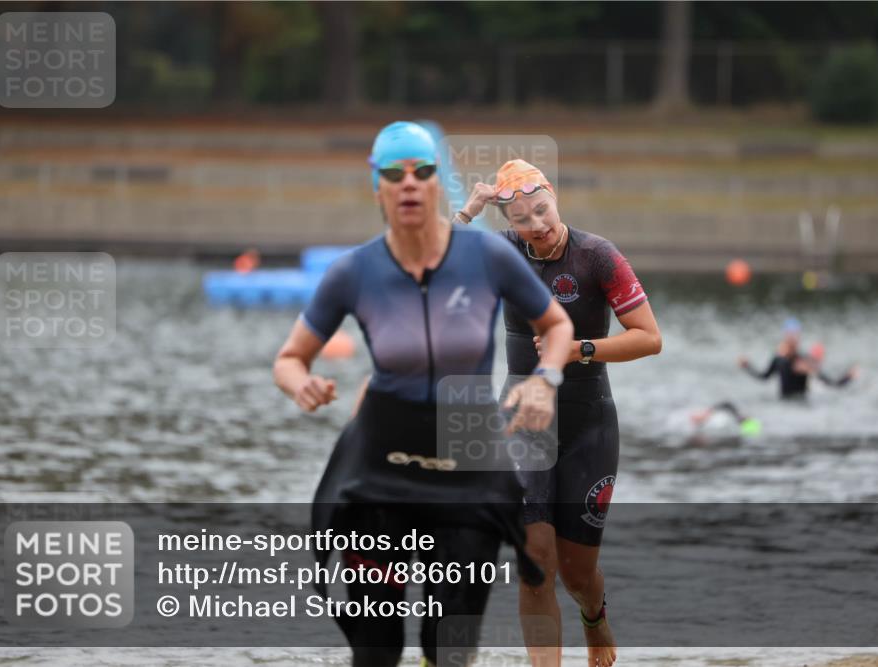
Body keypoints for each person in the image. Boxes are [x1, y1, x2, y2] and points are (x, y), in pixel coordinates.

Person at [273, 122, 575, 667]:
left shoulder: (487, 256)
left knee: (449, 649)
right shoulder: (354, 271)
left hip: (467, 462)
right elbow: (289, 358)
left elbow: (556, 326)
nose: (409, 183)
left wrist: (545, 380)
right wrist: (302, 384)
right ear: (378, 187)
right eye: (394, 173)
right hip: (382, 469)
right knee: (376, 649)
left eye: (422, 171)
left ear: (439, 183)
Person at [455, 159, 662, 667]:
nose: (538, 224)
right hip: (524, 422)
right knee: (535, 563)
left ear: (554, 198)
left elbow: (649, 338)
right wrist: (468, 211)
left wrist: (578, 350)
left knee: (577, 573)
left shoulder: (597, 256)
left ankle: (595, 618)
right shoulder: (502, 252)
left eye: (542, 210)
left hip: (588, 422)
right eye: (523, 218)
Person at [738, 318, 857, 399]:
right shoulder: (778, 359)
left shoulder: (804, 360)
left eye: (794, 335)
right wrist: (747, 366)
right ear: (785, 336)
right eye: (789, 335)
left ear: (798, 338)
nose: (792, 339)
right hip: (784, 403)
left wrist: (848, 377)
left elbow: (830, 383)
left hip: (802, 402)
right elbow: (764, 377)